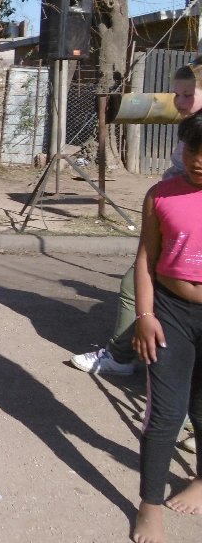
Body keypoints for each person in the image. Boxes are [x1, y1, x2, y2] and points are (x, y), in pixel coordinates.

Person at [71, 62, 202, 387]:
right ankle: (127, 356)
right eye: (176, 94)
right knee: (140, 283)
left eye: (188, 94)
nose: (180, 102)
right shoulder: (189, 130)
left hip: (186, 229)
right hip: (175, 226)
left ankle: (122, 357)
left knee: (136, 285)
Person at [130, 109, 202, 543]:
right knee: (167, 414)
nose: (200, 161)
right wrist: (144, 315)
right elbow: (144, 257)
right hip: (171, 313)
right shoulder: (161, 195)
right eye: (194, 149)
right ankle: (149, 506)